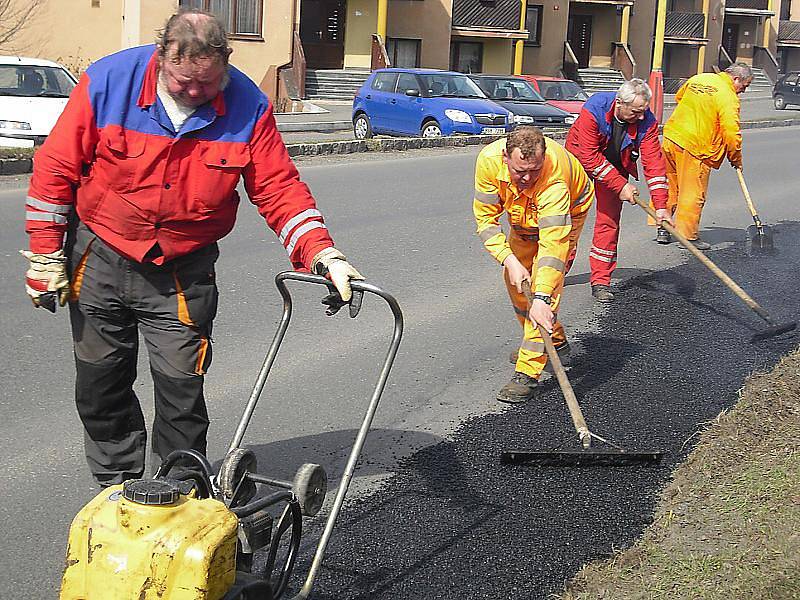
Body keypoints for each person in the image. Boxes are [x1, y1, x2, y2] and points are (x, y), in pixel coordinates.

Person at [21, 9, 363, 487]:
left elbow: (279, 189)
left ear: (224, 64)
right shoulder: (106, 83)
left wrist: (324, 255)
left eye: (208, 84)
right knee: (101, 383)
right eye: (184, 83)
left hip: (182, 269)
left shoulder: (248, 105)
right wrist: (44, 253)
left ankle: (179, 490)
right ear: (162, 59)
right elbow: (55, 170)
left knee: (182, 388)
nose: (196, 94)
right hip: (98, 255)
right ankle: (116, 486)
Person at [473, 127, 594, 404]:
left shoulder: (554, 181)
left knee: (543, 285)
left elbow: (553, 248)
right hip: (523, 217)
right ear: (506, 157)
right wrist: (509, 260)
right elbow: (486, 221)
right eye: (520, 172)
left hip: (568, 213)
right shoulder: (488, 162)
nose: (527, 178)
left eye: (534, 171)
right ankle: (556, 340)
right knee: (515, 282)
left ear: (543, 159)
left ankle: (528, 371)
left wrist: (541, 298)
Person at [565, 78, 671, 303]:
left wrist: (661, 206)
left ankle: (601, 280)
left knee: (608, 222)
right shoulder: (594, 109)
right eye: (635, 111)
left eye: (643, 111)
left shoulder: (647, 121)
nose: (640, 117)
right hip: (579, 162)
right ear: (620, 103)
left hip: (616, 165)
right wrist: (621, 185)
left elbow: (654, 163)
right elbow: (589, 156)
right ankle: (555, 270)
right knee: (568, 220)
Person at [657, 63, 752, 249]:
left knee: (670, 186)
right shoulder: (728, 97)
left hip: (672, 137)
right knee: (692, 193)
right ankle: (687, 236)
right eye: (745, 86)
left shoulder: (699, 78)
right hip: (696, 146)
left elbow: (679, 97)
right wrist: (735, 157)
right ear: (736, 79)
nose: (743, 91)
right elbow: (731, 132)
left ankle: (663, 227)